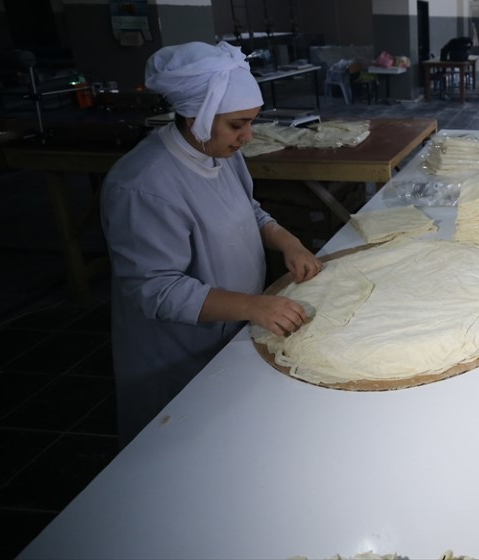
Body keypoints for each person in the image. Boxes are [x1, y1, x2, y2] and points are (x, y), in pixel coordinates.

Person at [101, 41, 322, 446]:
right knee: (180, 444)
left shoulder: (220, 153)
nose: (247, 136)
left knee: (232, 435)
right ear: (195, 117)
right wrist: (253, 306)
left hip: (234, 328)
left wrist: (288, 242)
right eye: (237, 125)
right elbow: (156, 289)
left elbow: (248, 210)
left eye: (251, 122)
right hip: (178, 352)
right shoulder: (142, 186)